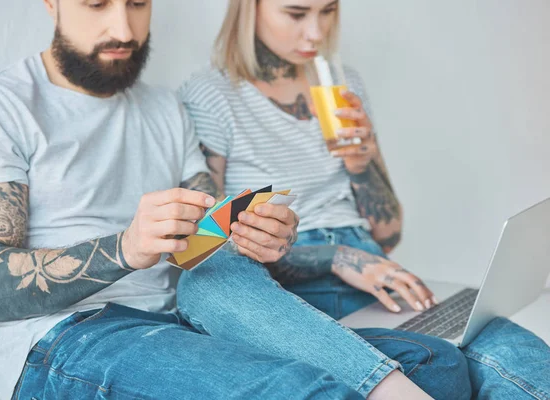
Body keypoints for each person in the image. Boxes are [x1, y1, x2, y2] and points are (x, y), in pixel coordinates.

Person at [0, 0, 471, 399]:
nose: (124, 29)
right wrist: (125, 248)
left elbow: (206, 244)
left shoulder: (163, 108)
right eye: (96, 4)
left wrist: (261, 235)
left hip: (186, 317)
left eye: (137, 3)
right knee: (315, 392)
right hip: (69, 338)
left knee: (442, 364)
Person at [178, 0, 550, 399]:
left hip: (370, 261)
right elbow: (209, 246)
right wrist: (338, 257)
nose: (316, 33)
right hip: (280, 269)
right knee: (447, 361)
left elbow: (387, 232)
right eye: (297, 13)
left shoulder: (343, 86)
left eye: (328, 11)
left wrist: (362, 162)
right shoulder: (210, 94)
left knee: (514, 349)